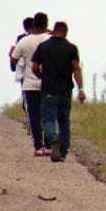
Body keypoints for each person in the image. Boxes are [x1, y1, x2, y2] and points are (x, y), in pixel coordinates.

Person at [32, 21, 86, 163]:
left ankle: (53, 138)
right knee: (64, 120)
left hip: (48, 89)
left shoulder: (43, 47)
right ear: (66, 32)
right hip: (65, 90)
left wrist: (41, 76)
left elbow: (35, 66)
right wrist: (81, 89)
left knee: (48, 118)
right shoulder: (71, 48)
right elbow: (76, 68)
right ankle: (63, 151)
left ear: (53, 30)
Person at [10, 12, 52, 156]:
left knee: (34, 115)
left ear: (33, 24)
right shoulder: (51, 40)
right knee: (48, 114)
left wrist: (14, 64)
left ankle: (38, 147)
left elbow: (13, 61)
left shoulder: (24, 41)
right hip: (48, 83)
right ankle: (48, 144)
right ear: (47, 24)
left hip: (30, 83)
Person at [10, 16, 34, 127]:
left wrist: (13, 67)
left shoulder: (20, 38)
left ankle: (30, 121)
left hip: (23, 71)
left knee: (26, 97)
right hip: (38, 71)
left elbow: (11, 53)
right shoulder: (42, 37)